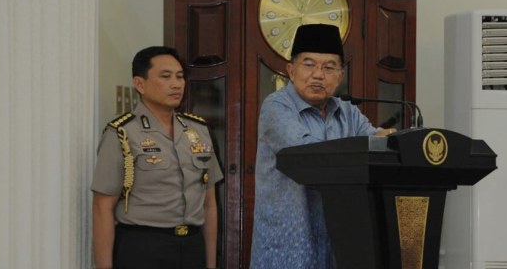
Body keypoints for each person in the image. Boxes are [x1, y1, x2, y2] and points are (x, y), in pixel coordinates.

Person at [250, 24, 395, 268]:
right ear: (290, 70)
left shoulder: (348, 111)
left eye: (329, 67)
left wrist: (390, 139)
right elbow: (307, 154)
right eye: (309, 64)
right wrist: (360, 149)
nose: (318, 75)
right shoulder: (277, 106)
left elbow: (375, 143)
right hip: (288, 247)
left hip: (338, 245)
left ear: (340, 76)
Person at [91, 46, 223, 269]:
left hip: (192, 247)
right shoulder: (122, 133)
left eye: (180, 77)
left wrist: (210, 264)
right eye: (166, 76)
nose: (176, 84)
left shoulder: (198, 130)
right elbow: (102, 207)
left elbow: (209, 204)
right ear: (139, 84)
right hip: (143, 247)